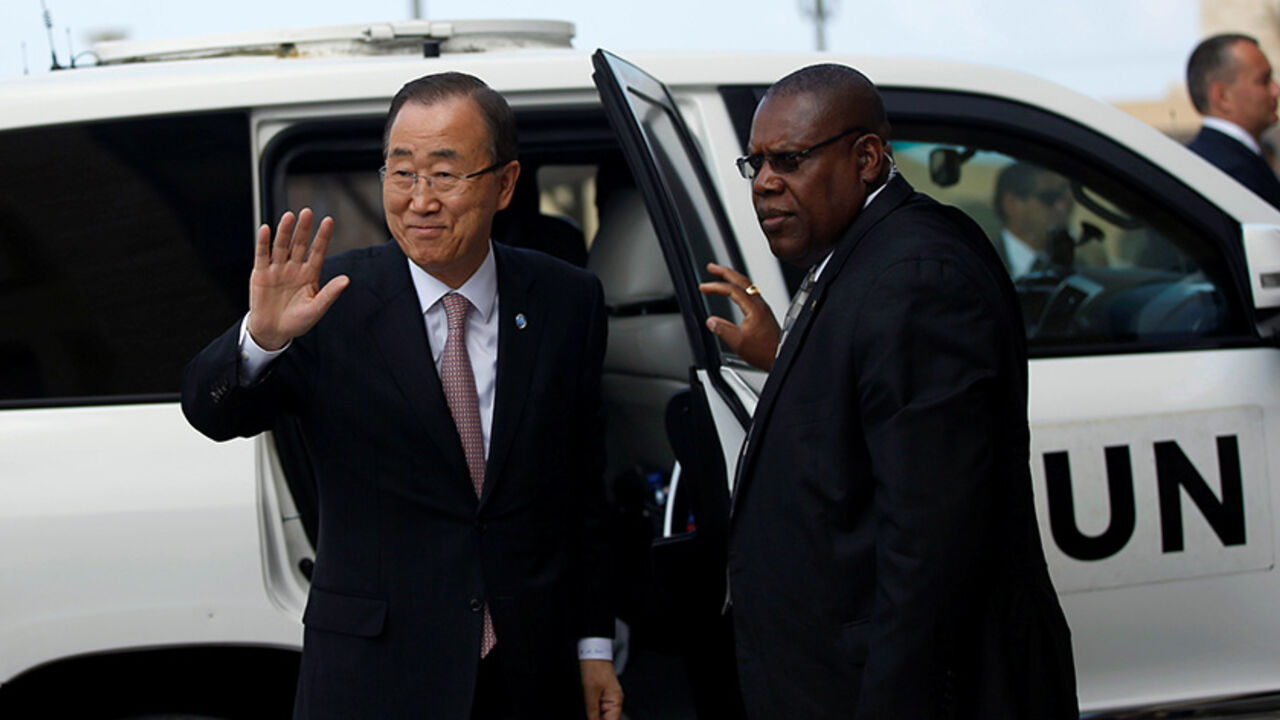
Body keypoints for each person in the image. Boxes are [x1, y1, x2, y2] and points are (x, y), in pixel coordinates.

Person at [182, 72, 622, 720]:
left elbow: (583, 492)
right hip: (375, 674)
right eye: (402, 173)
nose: (420, 200)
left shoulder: (567, 299)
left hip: (531, 670)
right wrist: (263, 338)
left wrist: (593, 646)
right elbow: (211, 412)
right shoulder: (326, 300)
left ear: (504, 184)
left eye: (444, 174)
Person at [698, 63, 1077, 718]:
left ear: (867, 158)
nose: (764, 183)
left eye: (789, 160)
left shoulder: (916, 277)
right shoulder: (867, 252)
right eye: (755, 164)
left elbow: (929, 549)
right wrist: (786, 358)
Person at [1186, 33, 1280, 209]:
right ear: (1223, 97)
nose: (1276, 90)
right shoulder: (1228, 171)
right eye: (1263, 81)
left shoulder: (1207, 160)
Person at [992, 162, 1075, 277]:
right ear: (1011, 203)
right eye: (1049, 198)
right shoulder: (983, 265)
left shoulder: (1076, 267)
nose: (1061, 207)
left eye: (1066, 200)